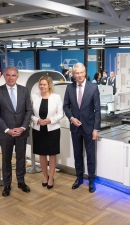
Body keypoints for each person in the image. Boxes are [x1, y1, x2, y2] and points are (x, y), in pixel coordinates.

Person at [0, 66, 33, 197]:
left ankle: (21, 182)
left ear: (17, 77)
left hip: (21, 132)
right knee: (6, 159)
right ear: (4, 76)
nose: (11, 78)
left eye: (13, 75)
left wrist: (23, 127)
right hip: (6, 133)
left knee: (21, 159)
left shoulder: (25, 91)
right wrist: (7, 130)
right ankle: (7, 184)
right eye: (8, 75)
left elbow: (29, 111)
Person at [63, 63, 101, 193]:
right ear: (73, 74)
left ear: (85, 73)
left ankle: (91, 181)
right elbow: (65, 106)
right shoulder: (69, 88)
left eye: (81, 73)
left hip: (89, 128)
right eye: (76, 73)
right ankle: (79, 178)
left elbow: (97, 110)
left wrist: (96, 129)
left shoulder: (93, 88)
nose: (79, 75)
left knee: (90, 155)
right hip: (75, 127)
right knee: (77, 154)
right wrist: (71, 118)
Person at [31, 76, 64, 190]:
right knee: (42, 154)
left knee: (52, 154)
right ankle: (45, 176)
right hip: (38, 129)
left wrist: (50, 120)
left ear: (49, 85)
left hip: (52, 129)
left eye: (44, 84)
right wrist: (37, 120)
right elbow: (29, 114)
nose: (42, 87)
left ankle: (51, 178)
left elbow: (60, 114)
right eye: (40, 84)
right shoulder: (35, 97)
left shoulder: (56, 97)